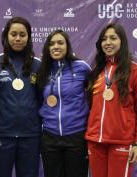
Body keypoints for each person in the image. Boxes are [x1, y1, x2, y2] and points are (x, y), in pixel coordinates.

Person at [85, 23, 137, 177]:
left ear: (122, 41)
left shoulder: (136, 71)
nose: (107, 42)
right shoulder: (96, 71)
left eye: (113, 38)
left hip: (121, 142)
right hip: (95, 141)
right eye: (104, 39)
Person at [0, 17, 41, 177]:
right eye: (13, 34)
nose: (18, 38)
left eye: (22, 34)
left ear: (29, 38)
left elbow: (42, 99)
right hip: (2, 135)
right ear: (6, 36)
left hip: (30, 136)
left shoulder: (38, 65)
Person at [38, 30, 91, 177]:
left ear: (67, 46)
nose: (56, 46)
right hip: (50, 137)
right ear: (47, 48)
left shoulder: (81, 67)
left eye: (60, 43)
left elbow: (94, 93)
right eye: (52, 43)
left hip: (76, 136)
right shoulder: (42, 70)